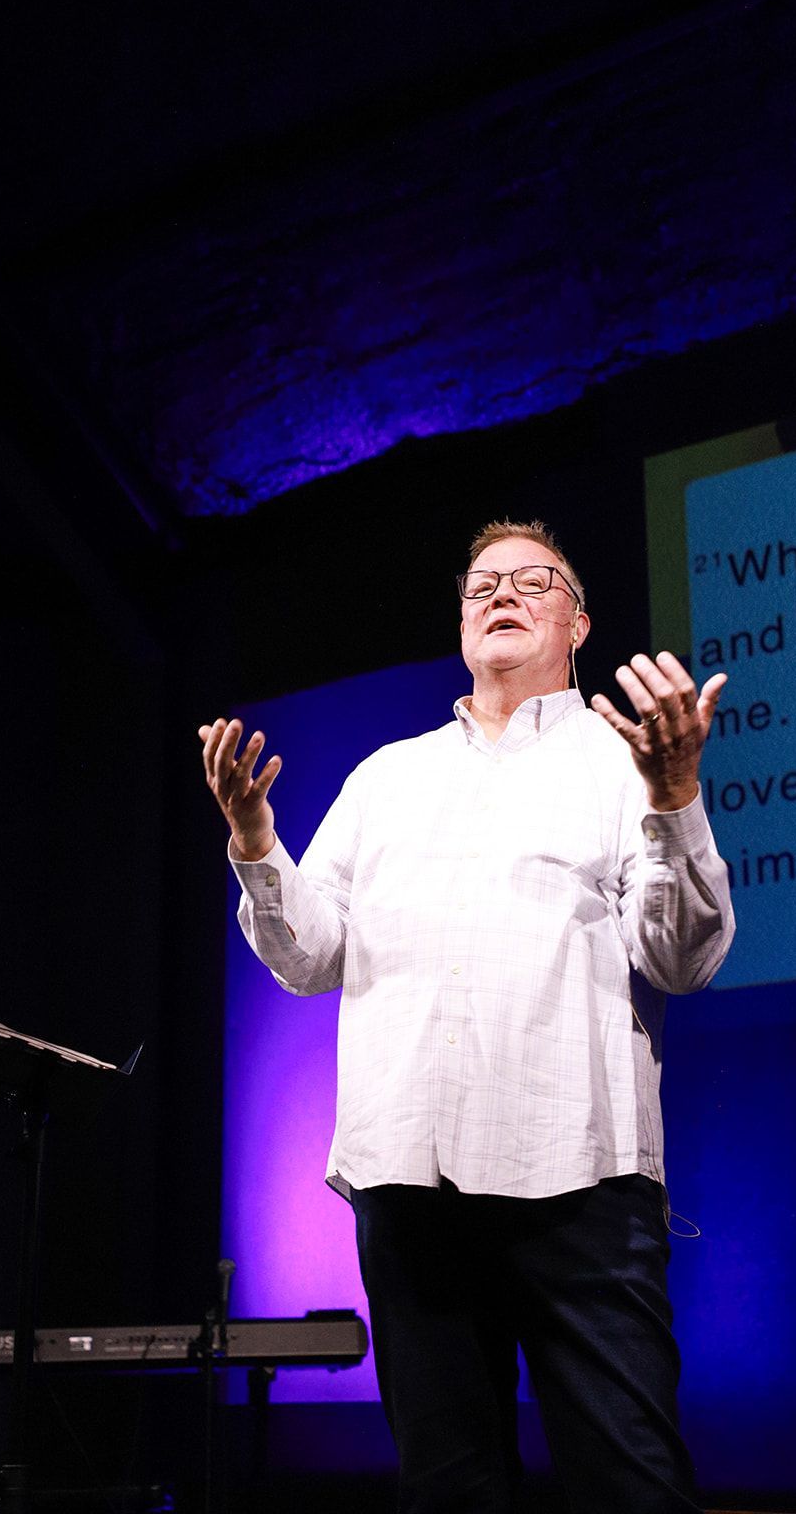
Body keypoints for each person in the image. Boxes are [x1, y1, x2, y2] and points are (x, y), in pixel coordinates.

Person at [198, 519, 735, 1514]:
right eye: (483, 583)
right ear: (458, 622)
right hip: (409, 1177)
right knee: (447, 1490)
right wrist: (254, 837)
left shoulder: (620, 765)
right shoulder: (386, 777)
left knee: (629, 1481)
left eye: (534, 583)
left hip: (579, 1174)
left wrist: (672, 795)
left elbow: (682, 956)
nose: (503, 594)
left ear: (576, 623)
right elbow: (308, 955)